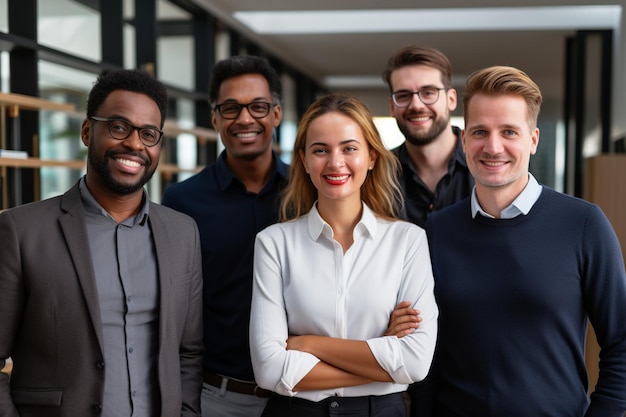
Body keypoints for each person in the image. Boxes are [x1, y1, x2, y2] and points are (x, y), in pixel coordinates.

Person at [422, 65, 626, 416]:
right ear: (464, 139)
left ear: (533, 140)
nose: (493, 146)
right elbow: (427, 346)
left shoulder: (583, 224)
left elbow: (621, 342)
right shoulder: (436, 230)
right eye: (480, 131)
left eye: (509, 132)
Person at [0, 69, 204, 417]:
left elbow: (188, 351)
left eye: (148, 134)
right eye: (119, 126)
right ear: (86, 131)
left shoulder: (183, 233)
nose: (135, 144)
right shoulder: (21, 231)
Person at [249, 92, 438, 417]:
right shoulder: (273, 243)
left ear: (371, 156)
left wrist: (308, 344)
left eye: (349, 148)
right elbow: (269, 369)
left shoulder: (407, 241)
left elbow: (415, 362)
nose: (335, 162)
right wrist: (384, 363)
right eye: (320, 150)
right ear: (305, 160)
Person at [161, 55, 288, 417]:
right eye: (231, 108)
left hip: (303, 393)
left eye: (258, 107)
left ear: (276, 114)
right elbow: (175, 306)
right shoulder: (182, 200)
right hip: (218, 397)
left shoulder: (308, 192)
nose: (245, 118)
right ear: (215, 118)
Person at [382, 45, 474, 227]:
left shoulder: (485, 164)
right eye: (403, 96)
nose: (416, 105)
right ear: (392, 107)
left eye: (428, 93)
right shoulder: (378, 174)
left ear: (451, 99)